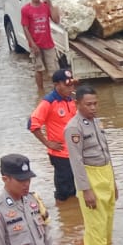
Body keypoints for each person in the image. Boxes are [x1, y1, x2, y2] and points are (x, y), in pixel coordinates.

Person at [65, 83, 116, 245]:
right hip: (90, 177)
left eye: (95, 103)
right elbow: (76, 161)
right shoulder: (74, 127)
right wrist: (86, 190)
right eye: (88, 104)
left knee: (108, 222)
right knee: (96, 227)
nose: (93, 108)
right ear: (77, 104)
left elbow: (106, 151)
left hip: (105, 174)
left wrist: (113, 182)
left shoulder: (97, 122)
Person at [29, 67, 78, 205]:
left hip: (75, 152)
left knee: (75, 187)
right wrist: (47, 143)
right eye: (67, 85)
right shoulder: (48, 102)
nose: (70, 88)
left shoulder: (70, 100)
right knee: (63, 190)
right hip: (60, 154)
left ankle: (72, 218)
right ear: (57, 85)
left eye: (72, 84)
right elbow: (33, 124)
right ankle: (63, 216)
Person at [18, 0, 59, 88]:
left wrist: (50, 4)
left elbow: (56, 20)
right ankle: (40, 92)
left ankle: (56, 93)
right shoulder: (25, 9)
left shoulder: (46, 7)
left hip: (48, 43)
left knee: (54, 70)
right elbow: (25, 27)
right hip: (35, 44)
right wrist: (32, 44)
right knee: (38, 69)